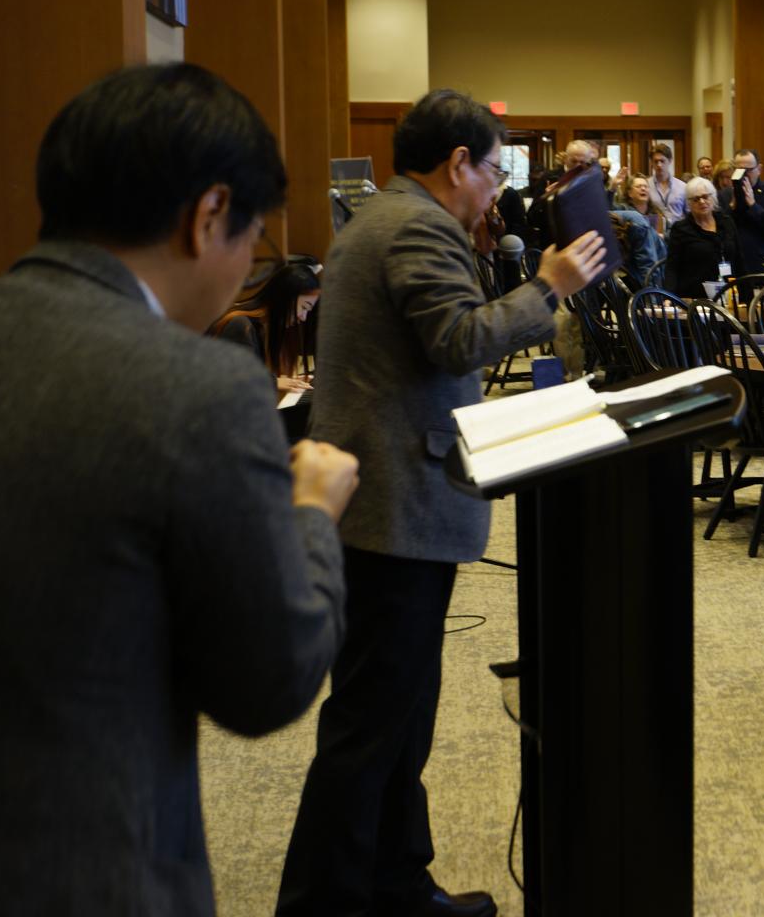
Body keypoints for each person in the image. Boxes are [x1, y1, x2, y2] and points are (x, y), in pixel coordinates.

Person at [0, 64, 358, 916]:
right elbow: (268, 681)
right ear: (208, 216)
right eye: (252, 239)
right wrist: (311, 513)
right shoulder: (198, 385)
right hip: (91, 870)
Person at [278, 90, 607, 917]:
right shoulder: (416, 226)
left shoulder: (387, 216)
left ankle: (395, 883)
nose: (497, 188)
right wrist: (549, 286)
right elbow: (458, 340)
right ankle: (323, 903)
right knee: (371, 723)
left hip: (387, 498)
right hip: (393, 505)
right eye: (494, 170)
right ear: (458, 163)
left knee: (397, 717)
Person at [212, 255, 322, 393]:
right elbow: (237, 382)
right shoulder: (240, 324)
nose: (303, 317)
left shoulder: (260, 326)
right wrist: (273, 381)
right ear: (285, 298)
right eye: (304, 307)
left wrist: (279, 380)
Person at [664, 176, 744, 296]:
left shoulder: (726, 222)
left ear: (713, 197)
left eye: (705, 197)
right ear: (689, 203)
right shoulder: (681, 229)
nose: (702, 202)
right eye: (696, 199)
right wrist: (668, 297)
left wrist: (748, 296)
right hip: (694, 295)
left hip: (729, 293)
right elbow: (672, 267)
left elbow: (739, 260)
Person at [722, 147, 764, 277]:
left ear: (759, 169)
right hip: (733, 263)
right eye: (739, 170)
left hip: (761, 263)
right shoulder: (725, 194)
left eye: (748, 170)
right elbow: (720, 229)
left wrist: (753, 206)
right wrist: (732, 206)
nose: (744, 175)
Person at [648, 141, 688, 226]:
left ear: (670, 161)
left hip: (679, 231)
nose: (659, 165)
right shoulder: (646, 186)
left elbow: (689, 213)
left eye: (662, 161)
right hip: (655, 231)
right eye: (656, 161)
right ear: (651, 163)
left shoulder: (683, 187)